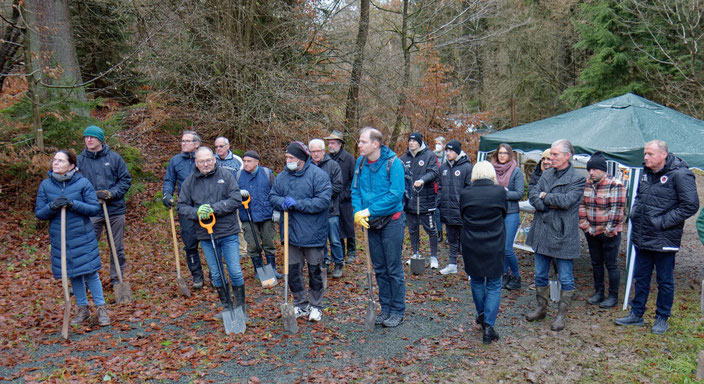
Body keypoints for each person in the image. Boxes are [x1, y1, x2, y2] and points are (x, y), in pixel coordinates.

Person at [615, 140, 699, 334]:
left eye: (650, 154)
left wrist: (662, 222)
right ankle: (637, 314)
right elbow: (639, 196)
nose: (645, 157)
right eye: (645, 153)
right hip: (643, 235)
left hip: (665, 239)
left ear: (663, 155)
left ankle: (662, 317)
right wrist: (635, 213)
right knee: (641, 277)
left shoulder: (680, 174)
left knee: (664, 280)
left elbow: (690, 205)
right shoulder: (646, 172)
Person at [36, 150, 110, 326]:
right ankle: (82, 309)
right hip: (61, 239)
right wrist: (52, 206)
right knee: (73, 274)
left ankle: (101, 309)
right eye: (54, 160)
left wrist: (73, 204)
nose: (56, 163)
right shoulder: (46, 186)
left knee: (90, 272)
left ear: (71, 165)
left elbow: (94, 209)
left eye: (60, 161)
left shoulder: (82, 183)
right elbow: (40, 213)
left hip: (82, 236)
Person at [525, 139, 586, 332]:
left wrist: (545, 197)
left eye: (555, 154)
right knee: (540, 274)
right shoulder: (547, 173)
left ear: (567, 156)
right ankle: (541, 308)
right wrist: (545, 201)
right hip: (542, 232)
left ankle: (561, 315)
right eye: (551, 154)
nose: (551, 158)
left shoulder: (577, 178)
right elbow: (533, 194)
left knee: (566, 278)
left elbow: (567, 201)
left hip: (562, 234)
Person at [178, 147, 245, 317]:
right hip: (205, 235)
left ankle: (240, 308)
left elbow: (235, 199)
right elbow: (182, 206)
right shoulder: (189, 182)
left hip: (228, 232)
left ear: (214, 160)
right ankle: (227, 307)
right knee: (216, 274)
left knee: (235, 271)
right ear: (196, 163)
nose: (206, 164)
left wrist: (214, 209)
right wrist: (197, 212)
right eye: (202, 161)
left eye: (208, 160)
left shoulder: (226, 176)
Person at [269, 141, 331, 322]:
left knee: (315, 270)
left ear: (302, 159)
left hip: (313, 233)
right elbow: (273, 196)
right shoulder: (281, 177)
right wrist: (282, 203)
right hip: (290, 233)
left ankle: (316, 306)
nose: (287, 160)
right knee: (293, 270)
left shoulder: (318, 176)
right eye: (287, 157)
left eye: (291, 158)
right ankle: (300, 303)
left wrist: (298, 204)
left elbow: (323, 201)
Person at [351, 127, 406, 327]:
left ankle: (398, 310)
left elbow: (395, 194)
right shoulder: (361, 163)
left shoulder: (394, 163)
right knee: (380, 268)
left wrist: (370, 210)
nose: (359, 145)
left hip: (391, 220)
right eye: (359, 141)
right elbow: (355, 189)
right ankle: (386, 308)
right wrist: (358, 212)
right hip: (371, 221)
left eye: (363, 141)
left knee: (393, 267)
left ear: (376, 144)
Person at [76, 126, 132, 287]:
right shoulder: (79, 161)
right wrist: (93, 195)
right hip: (91, 211)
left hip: (115, 210)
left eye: (92, 137)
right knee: (87, 246)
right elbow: (75, 184)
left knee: (117, 247)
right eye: (86, 137)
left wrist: (111, 193)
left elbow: (125, 180)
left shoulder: (114, 158)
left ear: (100, 139)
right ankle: (86, 280)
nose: (89, 140)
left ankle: (117, 279)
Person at [460, 161, 507, 344]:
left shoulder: (466, 193)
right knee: (494, 283)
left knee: (477, 281)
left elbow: (462, 214)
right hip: (494, 242)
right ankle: (488, 325)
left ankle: (481, 315)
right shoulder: (500, 192)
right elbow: (504, 213)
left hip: (472, 243)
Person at [579, 151, 626, 309]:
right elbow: (581, 206)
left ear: (603, 170)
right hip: (591, 231)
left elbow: (617, 210)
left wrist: (608, 230)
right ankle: (599, 292)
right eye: (589, 170)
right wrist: (586, 226)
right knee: (596, 263)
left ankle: (613, 296)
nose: (591, 172)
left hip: (609, 233)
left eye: (594, 170)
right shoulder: (586, 184)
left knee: (611, 264)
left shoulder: (615, 184)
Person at [162, 131, 205, 289]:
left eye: (187, 141)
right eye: (182, 141)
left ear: (196, 144)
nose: (183, 144)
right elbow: (169, 180)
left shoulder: (204, 159)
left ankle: (216, 274)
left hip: (204, 206)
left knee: (209, 241)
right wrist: (167, 195)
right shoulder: (175, 161)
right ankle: (197, 276)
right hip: (185, 207)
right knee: (190, 243)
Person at [236, 150, 282, 279]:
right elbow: (231, 194)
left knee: (268, 243)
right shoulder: (238, 176)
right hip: (247, 216)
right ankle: (258, 270)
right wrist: (238, 195)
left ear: (257, 162)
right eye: (244, 161)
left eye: (249, 161)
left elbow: (276, 192)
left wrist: (277, 211)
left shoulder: (267, 174)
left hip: (266, 215)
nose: (246, 164)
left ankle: (272, 268)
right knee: (253, 245)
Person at [400, 132, 440, 269]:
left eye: (414, 141)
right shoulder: (404, 158)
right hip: (410, 201)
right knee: (413, 230)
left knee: (431, 229)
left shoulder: (429, 156)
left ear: (419, 142)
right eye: (409, 141)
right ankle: (415, 253)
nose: (411, 143)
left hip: (426, 200)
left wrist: (422, 180)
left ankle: (434, 257)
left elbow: (434, 172)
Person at [491, 143, 525, 291]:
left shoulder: (515, 171)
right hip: (497, 212)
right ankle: (504, 274)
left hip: (511, 212)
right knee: (499, 247)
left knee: (507, 248)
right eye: (500, 153)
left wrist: (502, 193)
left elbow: (519, 193)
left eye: (505, 153)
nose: (502, 156)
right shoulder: (493, 170)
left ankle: (516, 276)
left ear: (510, 155)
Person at [309, 139, 345, 278]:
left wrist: (322, 196)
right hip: (314, 212)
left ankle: (338, 263)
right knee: (320, 239)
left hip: (331, 210)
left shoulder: (333, 165)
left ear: (323, 151)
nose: (316, 154)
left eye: (319, 151)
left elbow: (338, 186)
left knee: (334, 239)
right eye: (313, 151)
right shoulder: (307, 167)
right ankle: (324, 262)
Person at [437, 140, 472, 275]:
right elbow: (439, 186)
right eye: (447, 151)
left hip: (462, 211)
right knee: (451, 240)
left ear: (457, 152)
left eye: (451, 151)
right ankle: (452, 264)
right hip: (447, 210)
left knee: (466, 241)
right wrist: (440, 201)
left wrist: (466, 205)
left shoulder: (467, 167)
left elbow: (470, 189)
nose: (448, 153)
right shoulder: (443, 167)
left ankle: (469, 269)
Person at [326, 130, 357, 263]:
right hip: (332, 199)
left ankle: (352, 250)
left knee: (347, 225)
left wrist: (346, 194)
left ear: (339, 144)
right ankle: (341, 252)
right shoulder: (327, 159)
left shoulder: (349, 159)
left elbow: (354, 179)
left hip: (345, 198)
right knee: (336, 228)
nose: (330, 146)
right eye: (329, 143)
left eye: (333, 143)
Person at [434, 136, 447, 243]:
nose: (437, 145)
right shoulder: (432, 156)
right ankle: (439, 233)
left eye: (439, 143)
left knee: (446, 211)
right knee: (436, 212)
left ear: (443, 145)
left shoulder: (447, 156)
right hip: (435, 188)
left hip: (445, 188)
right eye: (436, 143)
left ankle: (448, 234)